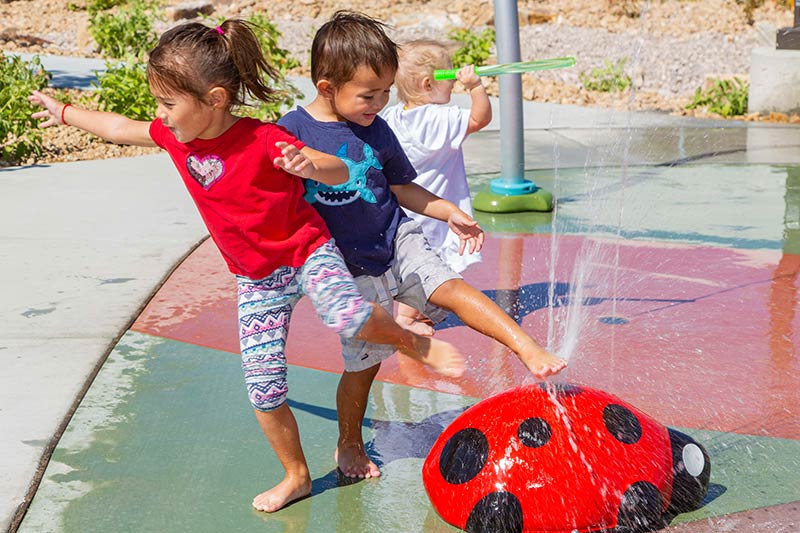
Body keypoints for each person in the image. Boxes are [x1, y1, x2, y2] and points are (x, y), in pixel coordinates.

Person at [28, 19, 466, 513]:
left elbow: (341, 167)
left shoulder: (264, 139)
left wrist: (307, 165)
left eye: (169, 104)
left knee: (346, 315)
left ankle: (413, 342)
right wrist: (63, 111)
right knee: (263, 387)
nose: (161, 116)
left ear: (215, 99)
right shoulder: (177, 139)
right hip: (256, 279)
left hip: (305, 251)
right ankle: (296, 475)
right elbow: (117, 128)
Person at [278, 10, 567, 481]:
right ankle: (349, 443)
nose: (380, 103)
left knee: (448, 287)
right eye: (369, 95)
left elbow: (400, 186)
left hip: (396, 235)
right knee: (363, 367)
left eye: (386, 92)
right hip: (346, 266)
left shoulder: (376, 127)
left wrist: (447, 210)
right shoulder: (291, 132)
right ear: (327, 87)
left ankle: (527, 346)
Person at [382, 39, 491, 334]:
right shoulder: (440, 119)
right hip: (437, 209)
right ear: (428, 82)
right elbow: (480, 118)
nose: (454, 84)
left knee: (412, 264)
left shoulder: (392, 117)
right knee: (425, 265)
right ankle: (406, 318)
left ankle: (413, 310)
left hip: (405, 206)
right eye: (451, 78)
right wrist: (475, 87)